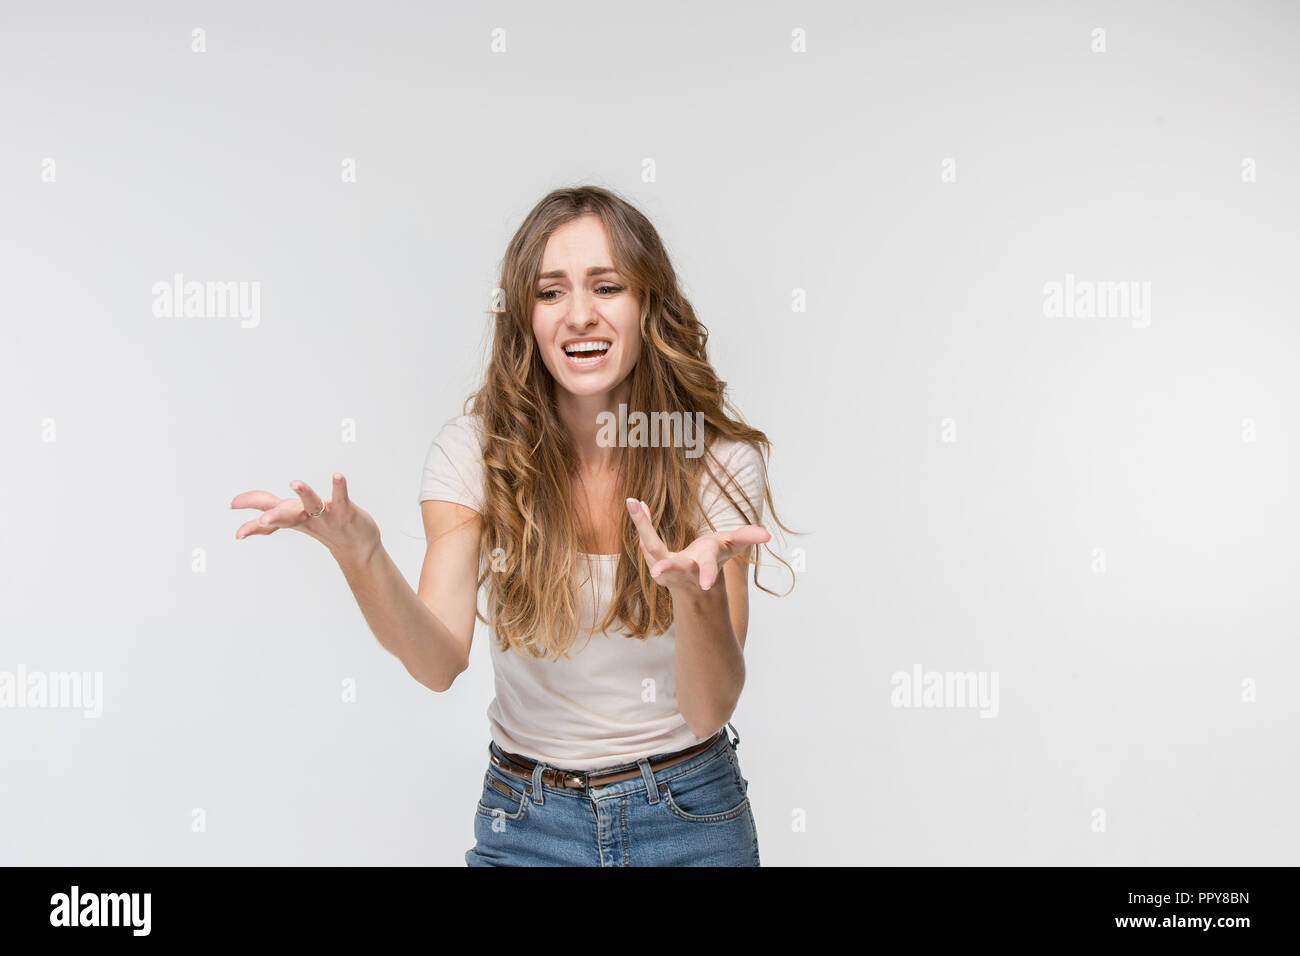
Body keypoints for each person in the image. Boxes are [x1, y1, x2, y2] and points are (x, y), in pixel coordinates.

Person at [231, 185, 795, 866]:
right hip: (527, 822)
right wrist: (362, 555)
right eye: (550, 292)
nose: (579, 315)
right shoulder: (475, 452)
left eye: (607, 286)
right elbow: (438, 662)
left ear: (648, 304)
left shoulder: (714, 461)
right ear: (524, 315)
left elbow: (709, 711)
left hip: (688, 817)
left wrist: (694, 598)